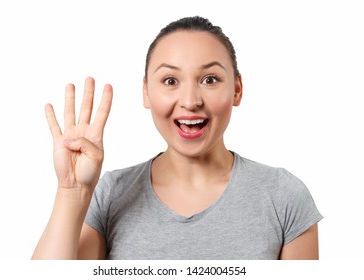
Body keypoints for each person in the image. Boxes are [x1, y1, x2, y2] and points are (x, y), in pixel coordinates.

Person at [32, 16, 323, 260]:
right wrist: (71, 193)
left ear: (236, 89)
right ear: (146, 92)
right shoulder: (111, 193)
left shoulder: (283, 196)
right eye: (170, 81)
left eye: (210, 79)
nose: (190, 100)